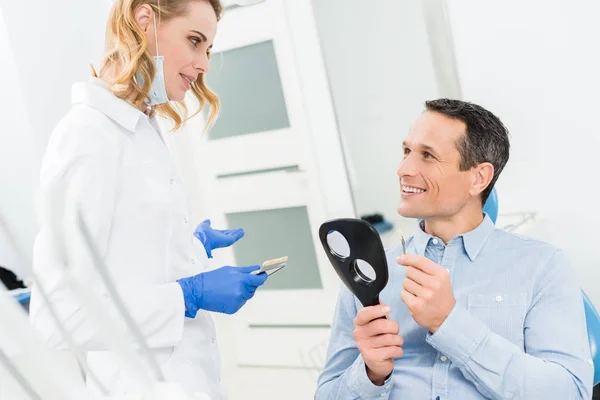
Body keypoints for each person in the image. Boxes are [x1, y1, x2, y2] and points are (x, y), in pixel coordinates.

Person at [29, 0, 268, 398]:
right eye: (194, 41)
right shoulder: (87, 136)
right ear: (145, 21)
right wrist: (189, 296)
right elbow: (58, 317)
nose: (204, 63)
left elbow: (126, 259)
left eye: (207, 49)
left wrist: (190, 245)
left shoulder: (141, 126)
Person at [316, 99, 593, 399]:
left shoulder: (542, 266)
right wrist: (370, 374)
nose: (403, 169)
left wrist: (449, 323)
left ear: (478, 178)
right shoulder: (366, 274)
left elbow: (569, 393)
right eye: (407, 151)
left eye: (428, 155)